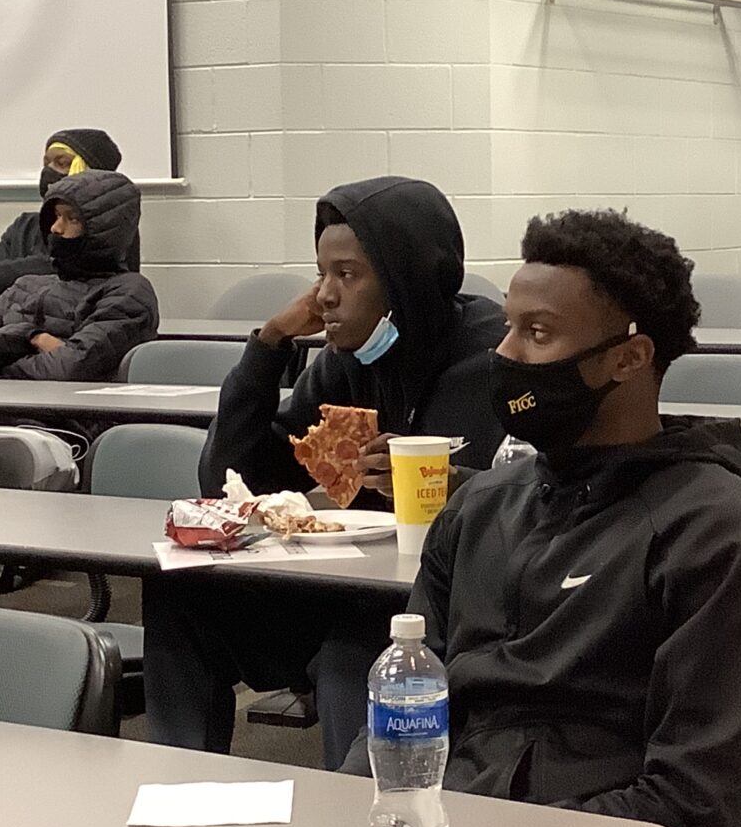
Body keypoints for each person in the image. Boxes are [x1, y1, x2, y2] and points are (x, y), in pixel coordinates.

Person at [338, 209, 741, 827]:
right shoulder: (479, 508)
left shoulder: (724, 533)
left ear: (628, 357)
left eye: (539, 333)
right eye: (507, 326)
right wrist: (340, 818)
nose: (505, 355)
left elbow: (689, 807)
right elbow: (408, 707)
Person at [144, 176, 508, 769]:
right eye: (321, 274)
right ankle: (182, 782)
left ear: (406, 278)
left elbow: (519, 499)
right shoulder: (346, 361)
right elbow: (229, 479)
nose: (325, 297)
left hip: (440, 606)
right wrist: (268, 345)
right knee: (181, 594)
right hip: (346, 585)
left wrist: (438, 477)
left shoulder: (491, 357)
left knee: (353, 657)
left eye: (348, 274)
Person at [0, 169, 158, 379]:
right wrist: (31, 337)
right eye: (56, 216)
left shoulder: (128, 294)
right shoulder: (26, 286)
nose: (56, 228)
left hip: (64, 412)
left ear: (105, 232)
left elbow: (68, 368)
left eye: (72, 219)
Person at [0, 128, 130, 316]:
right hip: (9, 336)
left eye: (62, 163)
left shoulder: (112, 231)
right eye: (46, 163)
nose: (49, 171)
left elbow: (65, 284)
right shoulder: (25, 225)